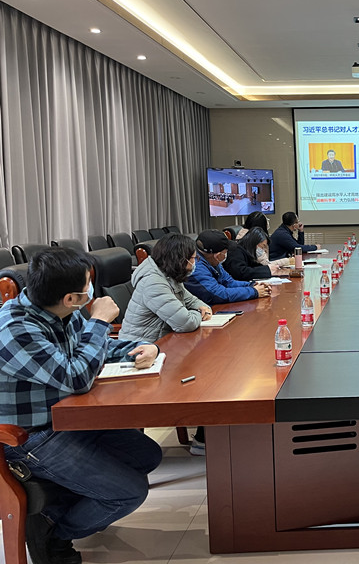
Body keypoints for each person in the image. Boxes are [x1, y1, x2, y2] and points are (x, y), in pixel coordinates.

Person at [0, 247, 162, 564]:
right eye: (88, 285)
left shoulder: (62, 310)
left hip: (70, 418)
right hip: (30, 436)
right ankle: (55, 533)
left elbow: (93, 348)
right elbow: (76, 377)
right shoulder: (14, 329)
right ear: (71, 298)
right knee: (129, 492)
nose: (92, 290)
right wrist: (99, 320)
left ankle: (61, 507)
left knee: (147, 455)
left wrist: (142, 347)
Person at [120, 233, 212, 343]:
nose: (194, 262)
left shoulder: (169, 275)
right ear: (179, 259)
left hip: (162, 341)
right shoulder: (153, 283)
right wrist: (199, 313)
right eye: (193, 258)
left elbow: (192, 301)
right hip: (138, 346)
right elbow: (186, 323)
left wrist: (203, 309)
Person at [184, 229, 271, 305]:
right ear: (217, 255)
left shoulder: (212, 260)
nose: (226, 255)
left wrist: (252, 285)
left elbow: (229, 282)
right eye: (225, 252)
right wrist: (254, 292)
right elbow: (217, 294)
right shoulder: (195, 266)